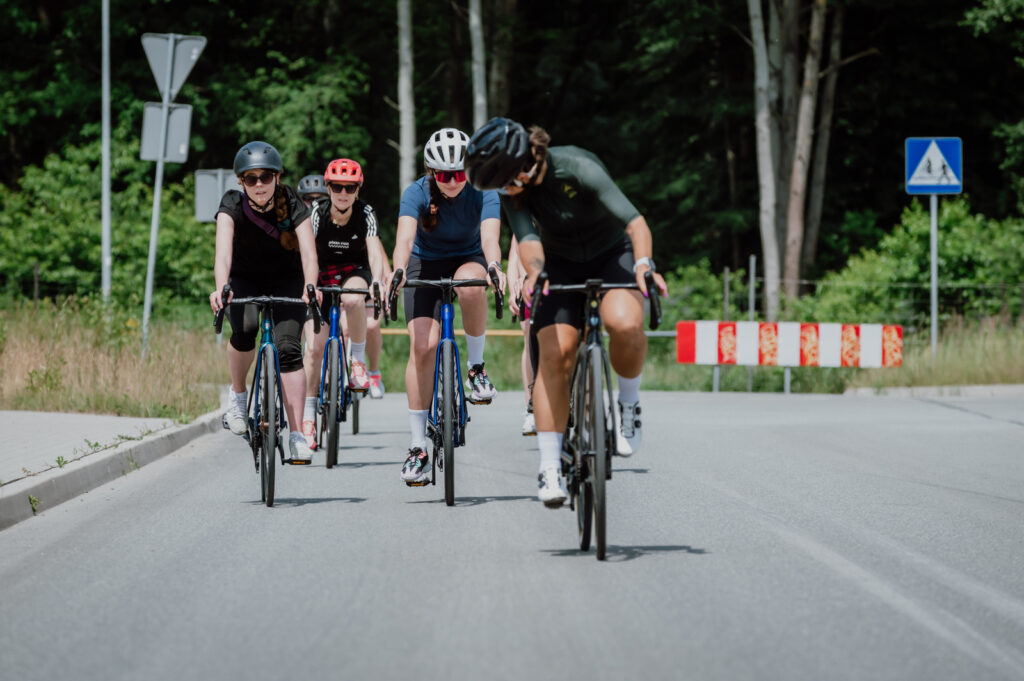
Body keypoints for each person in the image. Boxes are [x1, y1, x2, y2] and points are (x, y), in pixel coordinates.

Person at [466, 117, 668, 507]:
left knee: (624, 323)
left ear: (522, 167)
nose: (503, 190)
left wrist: (643, 263)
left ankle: (629, 404)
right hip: (558, 262)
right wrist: (536, 273)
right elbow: (527, 239)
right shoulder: (515, 193)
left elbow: (635, 222)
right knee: (555, 355)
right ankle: (549, 465)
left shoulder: (577, 166)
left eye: (504, 182)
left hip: (613, 255)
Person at [386, 127, 506, 485]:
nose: (452, 182)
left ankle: (476, 368)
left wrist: (495, 267)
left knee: (472, 288)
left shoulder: (485, 189)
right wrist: (397, 270)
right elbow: (404, 239)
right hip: (424, 263)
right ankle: (417, 446)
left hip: (467, 257)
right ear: (431, 173)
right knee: (422, 346)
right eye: (443, 175)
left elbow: (490, 238)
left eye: (458, 174)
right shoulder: (416, 193)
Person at [209, 140, 322, 464]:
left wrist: (311, 286)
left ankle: (298, 433)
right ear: (240, 181)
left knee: (288, 348)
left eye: (265, 177)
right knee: (244, 329)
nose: (259, 184)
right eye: (251, 178)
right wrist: (221, 288)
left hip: (288, 280)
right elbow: (223, 254)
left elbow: (310, 255)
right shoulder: (231, 204)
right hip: (245, 280)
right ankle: (238, 397)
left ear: (277, 177)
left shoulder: (294, 203)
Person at [300, 159, 387, 449]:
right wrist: (307, 284)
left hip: (353, 273)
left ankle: (358, 361)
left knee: (353, 298)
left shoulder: (366, 213)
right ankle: (309, 416)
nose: (342, 192)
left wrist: (376, 280)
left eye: (349, 188)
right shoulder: (316, 212)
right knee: (313, 349)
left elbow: (374, 250)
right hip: (321, 276)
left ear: (357, 191)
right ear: (328, 188)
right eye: (337, 186)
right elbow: (307, 249)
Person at [506, 235, 537, 436]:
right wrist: (512, 291)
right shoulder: (524, 211)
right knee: (528, 334)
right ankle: (530, 406)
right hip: (527, 285)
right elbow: (513, 260)